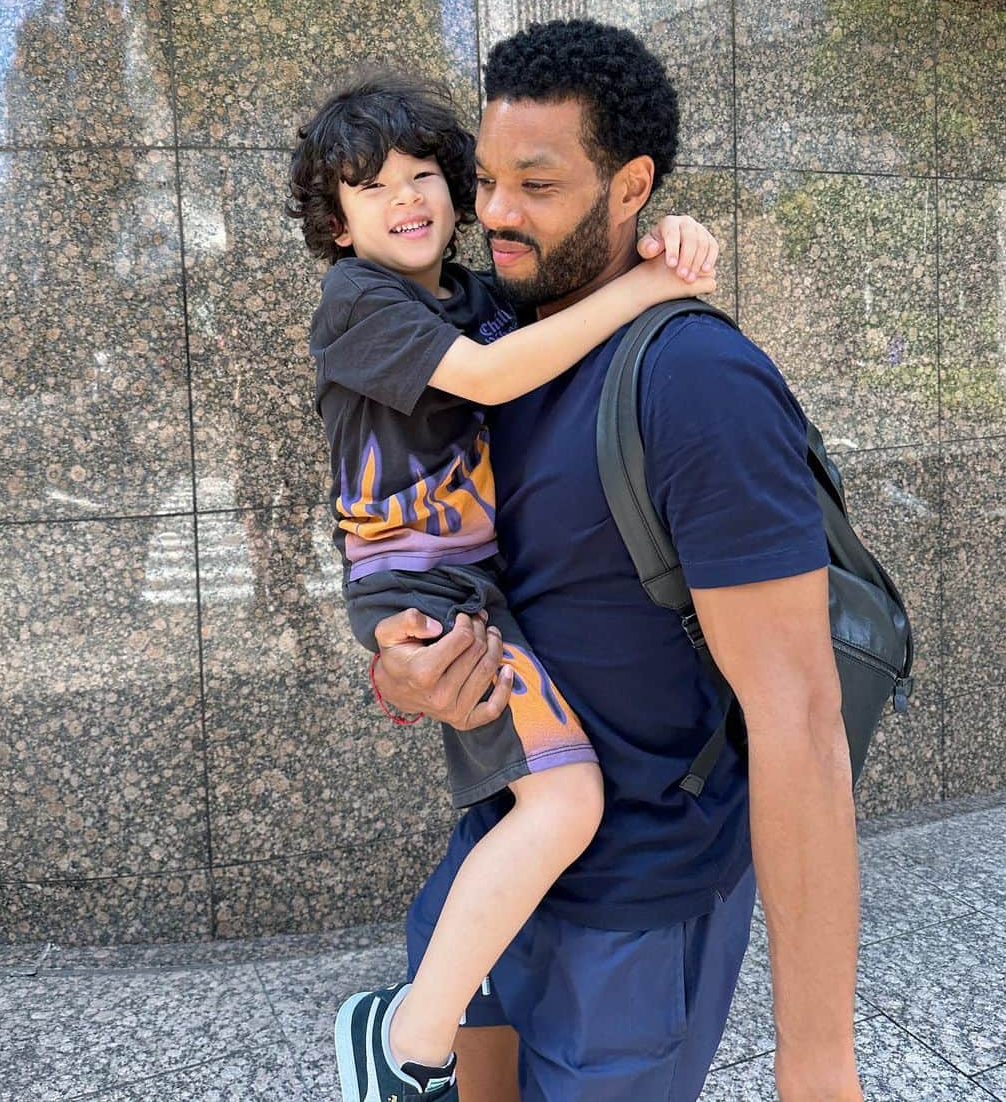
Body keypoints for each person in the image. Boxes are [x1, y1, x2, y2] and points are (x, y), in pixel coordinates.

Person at [370, 21, 864, 1102]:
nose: (495, 211)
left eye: (537, 184)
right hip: (494, 860)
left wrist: (818, 1060)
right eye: (487, 178)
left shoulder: (697, 383)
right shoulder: (482, 335)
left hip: (635, 912)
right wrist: (401, 670)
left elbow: (801, 721)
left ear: (630, 184)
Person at [289, 71, 721, 1101]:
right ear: (338, 226)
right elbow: (492, 378)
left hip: (472, 587)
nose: (410, 197)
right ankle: (404, 1045)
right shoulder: (359, 304)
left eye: (426, 173)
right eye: (371, 186)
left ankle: (416, 1029)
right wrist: (652, 288)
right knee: (566, 802)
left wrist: (665, 239)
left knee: (555, 801)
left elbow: (558, 311)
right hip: (422, 590)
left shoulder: (469, 294)